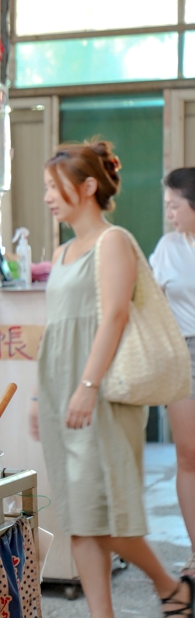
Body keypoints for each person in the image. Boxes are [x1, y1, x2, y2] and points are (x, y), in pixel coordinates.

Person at [30, 140, 193, 617]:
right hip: (63, 390)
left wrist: (87, 385)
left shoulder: (113, 241)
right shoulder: (61, 254)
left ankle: (169, 585)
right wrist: (42, 396)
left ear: (88, 186)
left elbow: (115, 316)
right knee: (80, 519)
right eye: (44, 188)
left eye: (54, 187)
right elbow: (55, 330)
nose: (47, 197)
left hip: (99, 390)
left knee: (111, 515)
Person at [151, 168, 195, 577]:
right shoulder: (167, 247)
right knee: (188, 455)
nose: (169, 214)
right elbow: (153, 302)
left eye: (174, 206)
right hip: (182, 352)